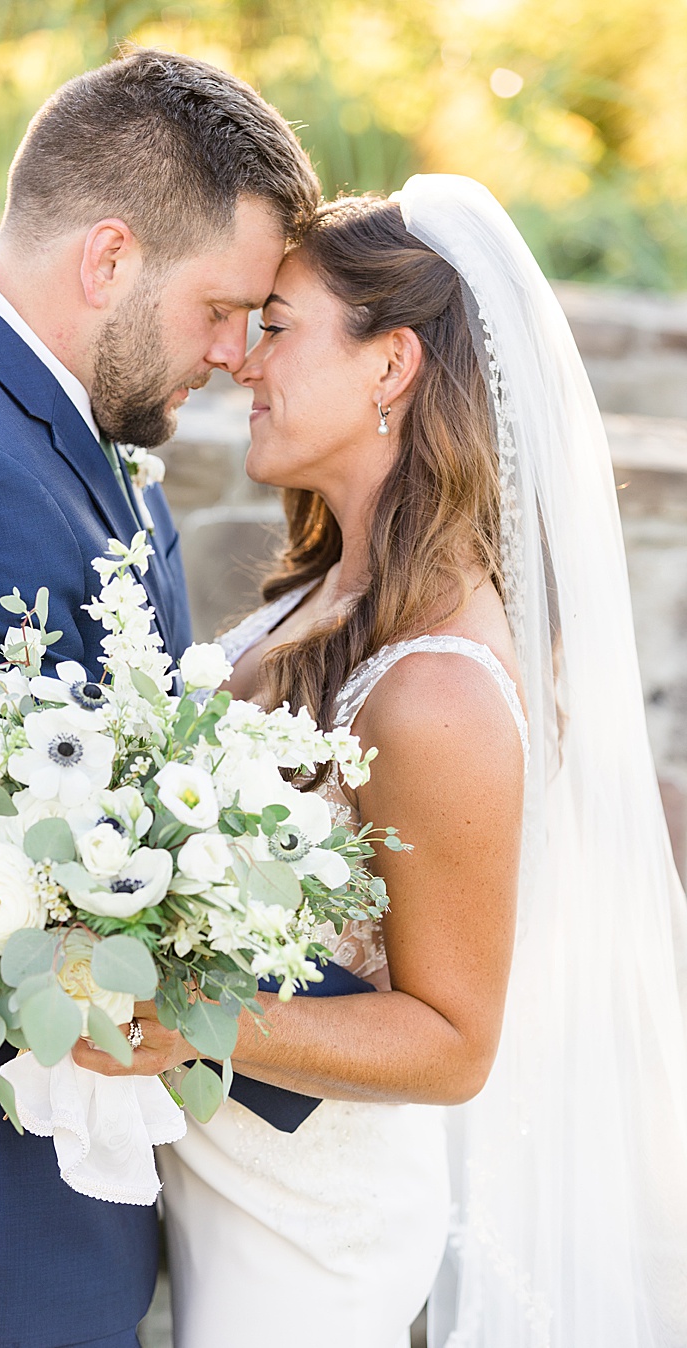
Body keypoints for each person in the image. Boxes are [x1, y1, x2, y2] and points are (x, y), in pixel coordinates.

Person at [73, 183, 687, 1347]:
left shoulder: (438, 685)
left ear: (390, 365)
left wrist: (189, 1015)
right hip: (229, 1178)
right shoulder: (323, 592)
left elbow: (456, 1040)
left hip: (307, 1237)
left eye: (280, 325)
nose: (244, 363)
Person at [0, 49, 320, 1348]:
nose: (235, 356)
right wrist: (370, 1038)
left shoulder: (6, 391)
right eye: (222, 307)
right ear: (109, 259)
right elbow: (58, 900)